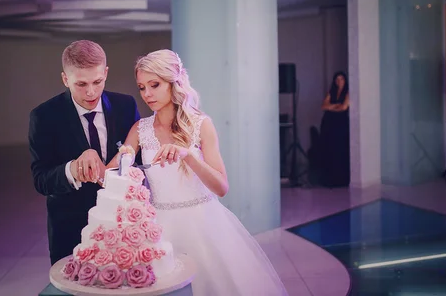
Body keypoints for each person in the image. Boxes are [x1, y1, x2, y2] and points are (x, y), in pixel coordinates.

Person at [103, 49, 288, 295]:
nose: (147, 94)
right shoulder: (140, 129)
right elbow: (110, 174)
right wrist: (114, 161)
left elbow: (222, 187)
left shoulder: (201, 125)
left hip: (204, 224)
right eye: (142, 87)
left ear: (174, 82)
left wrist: (188, 156)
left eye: (154, 85)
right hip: (159, 228)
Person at [29, 40, 140, 265]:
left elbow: (139, 160)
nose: (91, 92)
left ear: (106, 73)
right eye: (80, 84)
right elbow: (41, 181)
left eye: (97, 81)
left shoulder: (126, 106)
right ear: (65, 79)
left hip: (121, 224)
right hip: (70, 228)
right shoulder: (43, 116)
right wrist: (73, 169)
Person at [319, 71, 350, 187]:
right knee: (328, 149)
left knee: (340, 150)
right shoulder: (331, 92)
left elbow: (343, 107)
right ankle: (328, 178)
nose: (339, 82)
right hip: (328, 124)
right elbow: (323, 106)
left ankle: (340, 179)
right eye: (337, 79)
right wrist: (335, 106)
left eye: (341, 79)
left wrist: (331, 107)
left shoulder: (348, 92)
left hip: (341, 124)